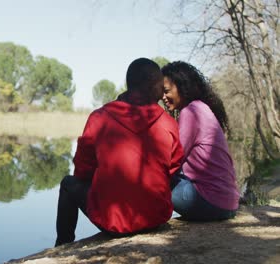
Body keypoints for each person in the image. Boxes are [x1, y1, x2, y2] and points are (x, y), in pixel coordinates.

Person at [55, 58, 184, 246]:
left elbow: (82, 170)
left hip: (113, 224)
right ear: (151, 86)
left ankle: (63, 247)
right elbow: (173, 169)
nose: (161, 92)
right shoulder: (169, 123)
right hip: (156, 218)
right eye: (159, 85)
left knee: (68, 184)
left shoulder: (99, 118)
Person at [161, 61, 240, 221]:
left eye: (166, 91)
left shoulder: (191, 112)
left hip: (211, 203)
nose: (163, 97)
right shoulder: (201, 108)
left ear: (182, 86)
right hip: (228, 202)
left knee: (152, 177)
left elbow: (173, 160)